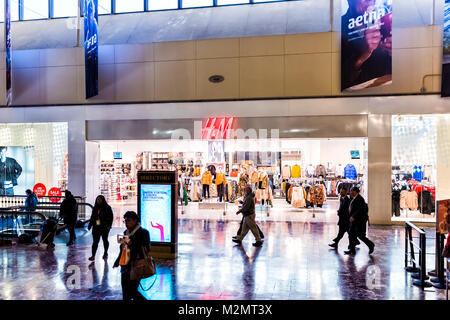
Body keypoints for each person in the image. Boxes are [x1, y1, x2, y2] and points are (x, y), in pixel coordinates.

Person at [341, 0, 392, 90]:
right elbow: (338, 80)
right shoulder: (338, 28)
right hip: (356, 98)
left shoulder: (382, 22)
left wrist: (393, 52)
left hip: (385, 92)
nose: (372, 1)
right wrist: (360, 56)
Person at [113, 211, 150, 301]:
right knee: (125, 292)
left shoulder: (143, 232)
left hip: (136, 264)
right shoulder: (126, 232)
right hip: (125, 265)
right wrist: (117, 261)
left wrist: (131, 243)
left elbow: (146, 249)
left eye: (128, 221)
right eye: (125, 221)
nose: (126, 223)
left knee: (132, 291)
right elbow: (123, 249)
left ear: (135, 220)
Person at [345, 187, 375, 255]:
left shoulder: (359, 199)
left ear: (355, 191)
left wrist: (353, 216)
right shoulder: (355, 198)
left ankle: (371, 245)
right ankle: (352, 250)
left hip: (359, 221)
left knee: (360, 236)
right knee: (351, 235)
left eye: (351, 191)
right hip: (354, 221)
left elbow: (360, 210)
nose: (350, 192)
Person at [88, 195, 114, 261]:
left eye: (100, 199)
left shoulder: (107, 207)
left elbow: (111, 217)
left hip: (104, 227)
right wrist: (90, 224)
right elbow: (92, 217)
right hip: (96, 227)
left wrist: (109, 226)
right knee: (95, 242)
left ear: (103, 200)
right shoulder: (95, 208)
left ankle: (105, 252)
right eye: (97, 199)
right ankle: (93, 255)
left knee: (105, 240)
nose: (99, 201)